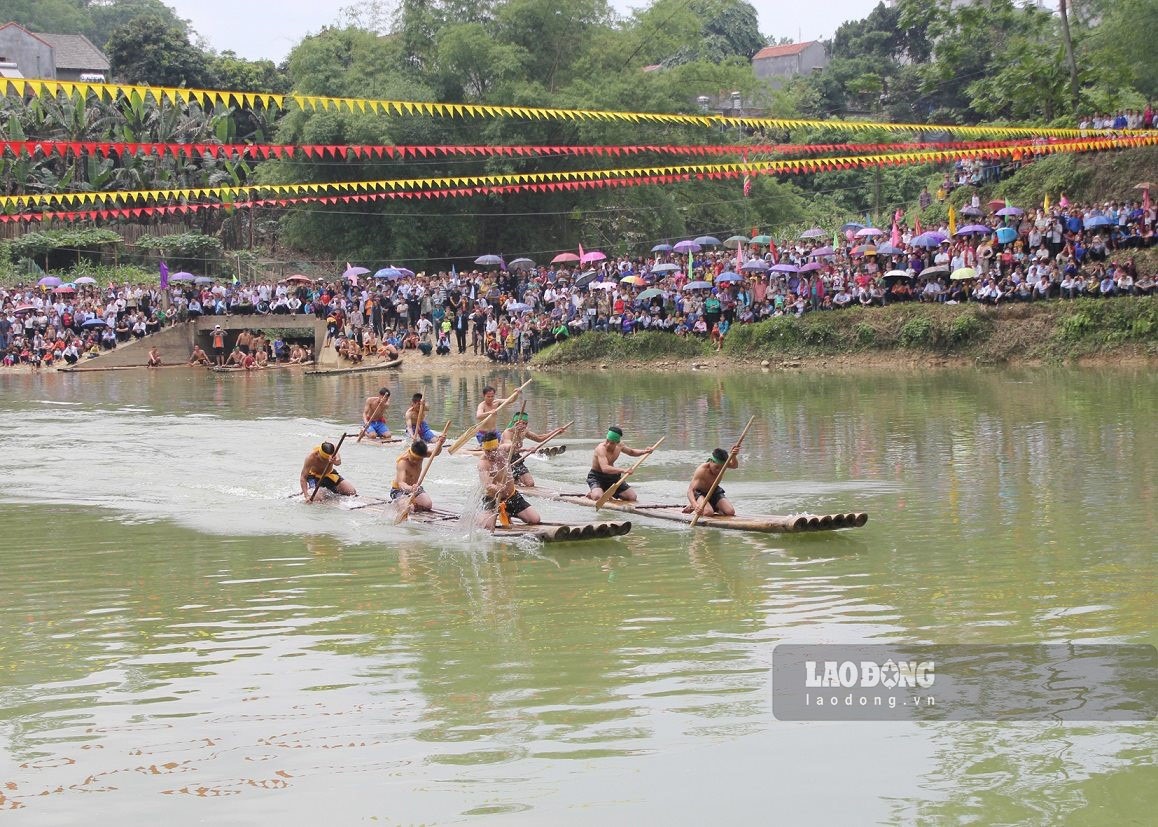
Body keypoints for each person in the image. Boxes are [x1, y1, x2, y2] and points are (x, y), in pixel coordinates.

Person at [477, 431, 540, 528]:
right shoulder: (483, 464)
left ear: (498, 446)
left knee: (535, 519)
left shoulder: (503, 450)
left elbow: (513, 446)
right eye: (487, 451)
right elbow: (487, 485)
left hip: (511, 496)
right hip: (493, 499)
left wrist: (524, 448)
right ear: (483, 449)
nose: (491, 454)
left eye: (493, 450)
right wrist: (496, 488)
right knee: (487, 526)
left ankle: (508, 512)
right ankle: (480, 517)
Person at [586, 425, 654, 503]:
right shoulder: (600, 449)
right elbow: (605, 468)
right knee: (598, 497)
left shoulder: (620, 445)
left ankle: (606, 492)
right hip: (597, 477)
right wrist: (623, 470)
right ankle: (592, 494)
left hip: (612, 477)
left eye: (611, 443)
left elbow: (631, 452)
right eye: (607, 441)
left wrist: (645, 451)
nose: (608, 444)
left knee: (632, 497)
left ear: (617, 443)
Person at [390, 435, 446, 513]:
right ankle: (399, 503)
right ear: (410, 452)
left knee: (427, 505)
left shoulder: (422, 454)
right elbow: (401, 483)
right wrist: (410, 488)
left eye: (419, 459)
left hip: (414, 488)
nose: (416, 461)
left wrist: (440, 443)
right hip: (399, 490)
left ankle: (411, 501)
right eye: (413, 458)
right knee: (409, 509)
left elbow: (436, 452)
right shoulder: (402, 462)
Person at [501, 411, 557, 488]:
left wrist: (555, 432)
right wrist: (526, 449)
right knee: (512, 484)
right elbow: (509, 447)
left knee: (530, 484)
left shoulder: (524, 431)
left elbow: (539, 438)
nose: (524, 426)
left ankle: (517, 482)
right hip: (505, 460)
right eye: (522, 423)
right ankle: (514, 484)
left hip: (516, 458)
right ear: (515, 423)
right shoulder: (507, 432)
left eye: (525, 423)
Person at [682, 447, 740, 517]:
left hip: (714, 491)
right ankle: (695, 505)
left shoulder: (723, 464)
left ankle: (714, 507)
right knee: (708, 513)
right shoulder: (702, 470)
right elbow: (690, 491)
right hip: (699, 493)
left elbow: (734, 466)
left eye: (721, 468)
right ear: (711, 461)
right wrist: (695, 505)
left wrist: (734, 456)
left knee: (730, 512)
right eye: (716, 467)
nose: (719, 471)